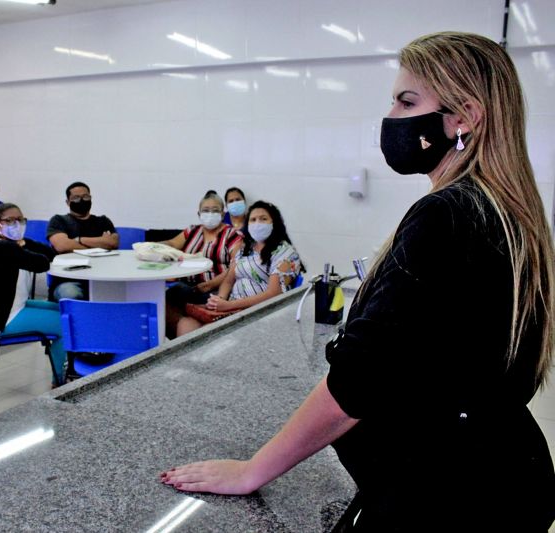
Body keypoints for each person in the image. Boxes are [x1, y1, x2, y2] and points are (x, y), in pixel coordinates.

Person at [161, 32, 555, 531]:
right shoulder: (503, 210)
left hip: (451, 494)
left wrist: (252, 470)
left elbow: (359, 382)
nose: (391, 116)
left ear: (465, 117)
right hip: (501, 474)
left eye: (407, 100)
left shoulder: (448, 214)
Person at [0, 203, 66, 385]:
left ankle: (63, 364)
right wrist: (22, 246)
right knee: (65, 325)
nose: (16, 224)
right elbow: (42, 264)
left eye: (20, 220)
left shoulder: (10, 245)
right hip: (1, 319)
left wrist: (24, 243)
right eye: (9, 220)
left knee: (62, 310)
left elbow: (49, 253)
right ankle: (59, 382)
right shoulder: (1, 248)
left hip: (11, 307)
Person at [175, 201, 302, 336]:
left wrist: (229, 306)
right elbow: (229, 280)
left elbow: (273, 293)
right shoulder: (246, 249)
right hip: (231, 309)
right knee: (186, 324)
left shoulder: (285, 253)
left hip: (259, 312)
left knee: (202, 336)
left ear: (274, 223)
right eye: (253, 220)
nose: (257, 223)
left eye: (263, 219)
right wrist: (220, 300)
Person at [162, 190, 243, 338]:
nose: (210, 214)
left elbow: (235, 265)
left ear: (223, 213)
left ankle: (190, 333)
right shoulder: (192, 231)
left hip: (217, 289)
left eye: (215, 210)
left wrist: (210, 284)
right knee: (163, 301)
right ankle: (185, 330)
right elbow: (173, 243)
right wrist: (154, 246)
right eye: (205, 210)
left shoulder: (232, 235)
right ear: (199, 213)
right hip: (188, 287)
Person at [47, 181, 118, 301]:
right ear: (68, 202)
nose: (82, 200)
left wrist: (79, 240)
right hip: (69, 279)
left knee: (124, 292)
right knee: (71, 294)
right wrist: (99, 245)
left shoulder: (103, 221)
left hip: (103, 278)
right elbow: (62, 245)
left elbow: (113, 243)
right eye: (76, 198)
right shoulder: (59, 220)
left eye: (86, 196)